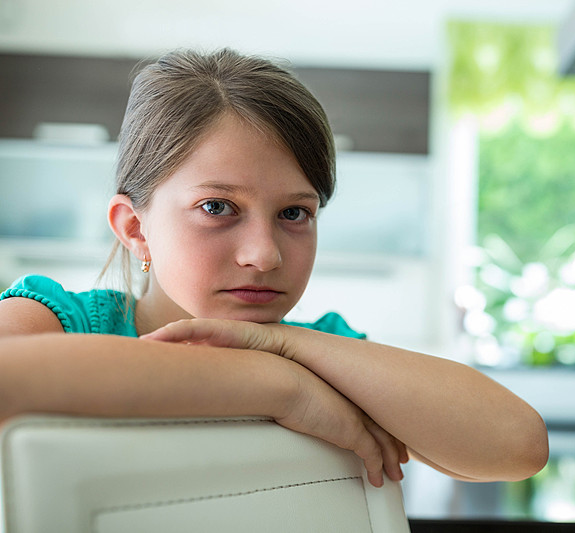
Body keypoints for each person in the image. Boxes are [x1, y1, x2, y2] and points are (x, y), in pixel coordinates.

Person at [0, 48, 547, 488]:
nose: (265, 255)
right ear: (135, 226)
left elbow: (518, 445)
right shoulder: (60, 322)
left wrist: (286, 348)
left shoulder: (327, 353)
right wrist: (284, 390)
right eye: (217, 207)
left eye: (294, 213)